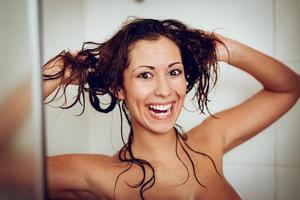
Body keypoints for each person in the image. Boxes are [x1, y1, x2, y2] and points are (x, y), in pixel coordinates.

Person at [43, 18, 300, 200]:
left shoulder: (210, 140)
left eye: (174, 72)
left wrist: (226, 48)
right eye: (145, 75)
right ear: (118, 88)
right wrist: (51, 74)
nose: (165, 90)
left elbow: (288, 87)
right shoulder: (97, 176)